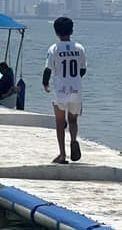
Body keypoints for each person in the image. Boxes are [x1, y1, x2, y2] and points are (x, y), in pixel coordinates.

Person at [43, 17, 87, 164]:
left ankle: (62, 155)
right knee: (73, 120)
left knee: (60, 122)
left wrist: (45, 84)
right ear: (72, 31)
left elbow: (48, 69)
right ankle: (73, 140)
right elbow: (83, 69)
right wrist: (74, 79)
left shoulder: (54, 48)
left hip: (60, 89)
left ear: (56, 32)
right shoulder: (79, 48)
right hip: (76, 89)